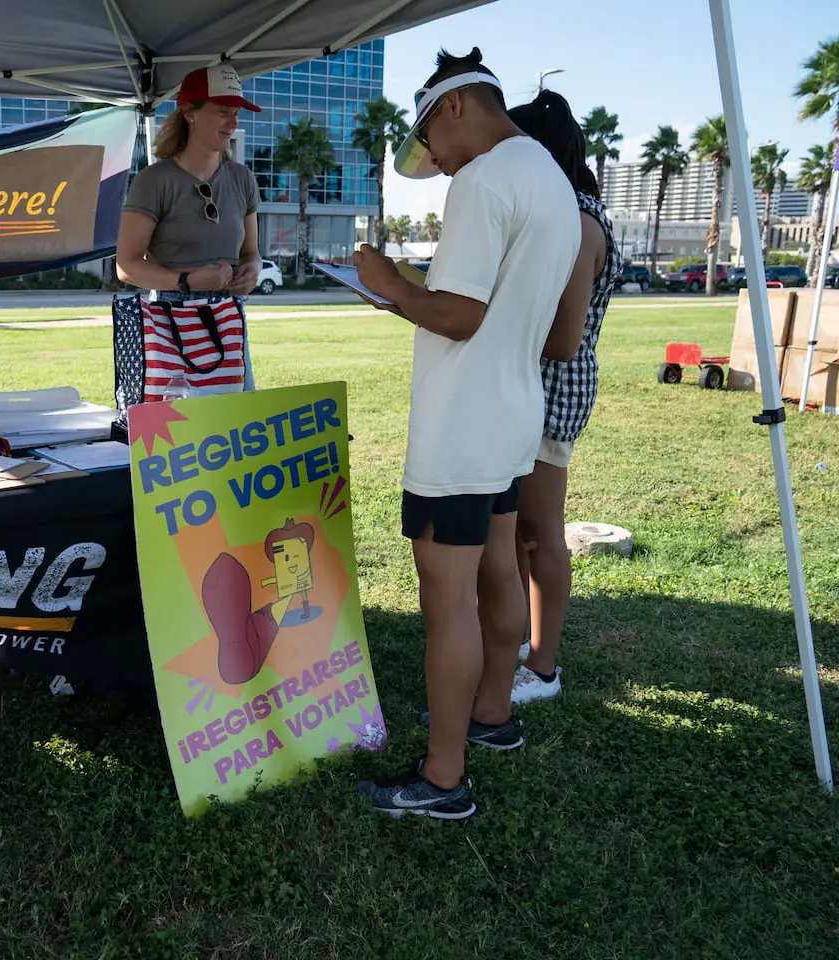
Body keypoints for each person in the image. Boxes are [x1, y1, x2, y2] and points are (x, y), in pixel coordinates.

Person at [350, 48, 581, 819]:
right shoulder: (549, 176)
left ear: (454, 107)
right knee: (499, 575)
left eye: (432, 145)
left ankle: (443, 777)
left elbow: (458, 313)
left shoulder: (485, 179)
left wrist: (388, 285)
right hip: (514, 414)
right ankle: (491, 714)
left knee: (445, 602)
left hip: (462, 427)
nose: (440, 165)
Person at [505, 92, 621, 705]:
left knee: (540, 532)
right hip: (538, 386)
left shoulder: (575, 222)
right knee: (524, 527)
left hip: (555, 388)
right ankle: (526, 642)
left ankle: (543, 668)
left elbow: (563, 338)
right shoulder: (566, 209)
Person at [115, 63, 264, 390]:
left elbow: (251, 253)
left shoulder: (242, 178)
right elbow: (126, 266)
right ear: (189, 113)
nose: (234, 121)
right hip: (167, 328)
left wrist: (252, 272)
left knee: (235, 425)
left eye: (237, 112)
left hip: (228, 323)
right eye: (223, 111)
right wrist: (186, 280)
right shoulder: (154, 180)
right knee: (175, 432)